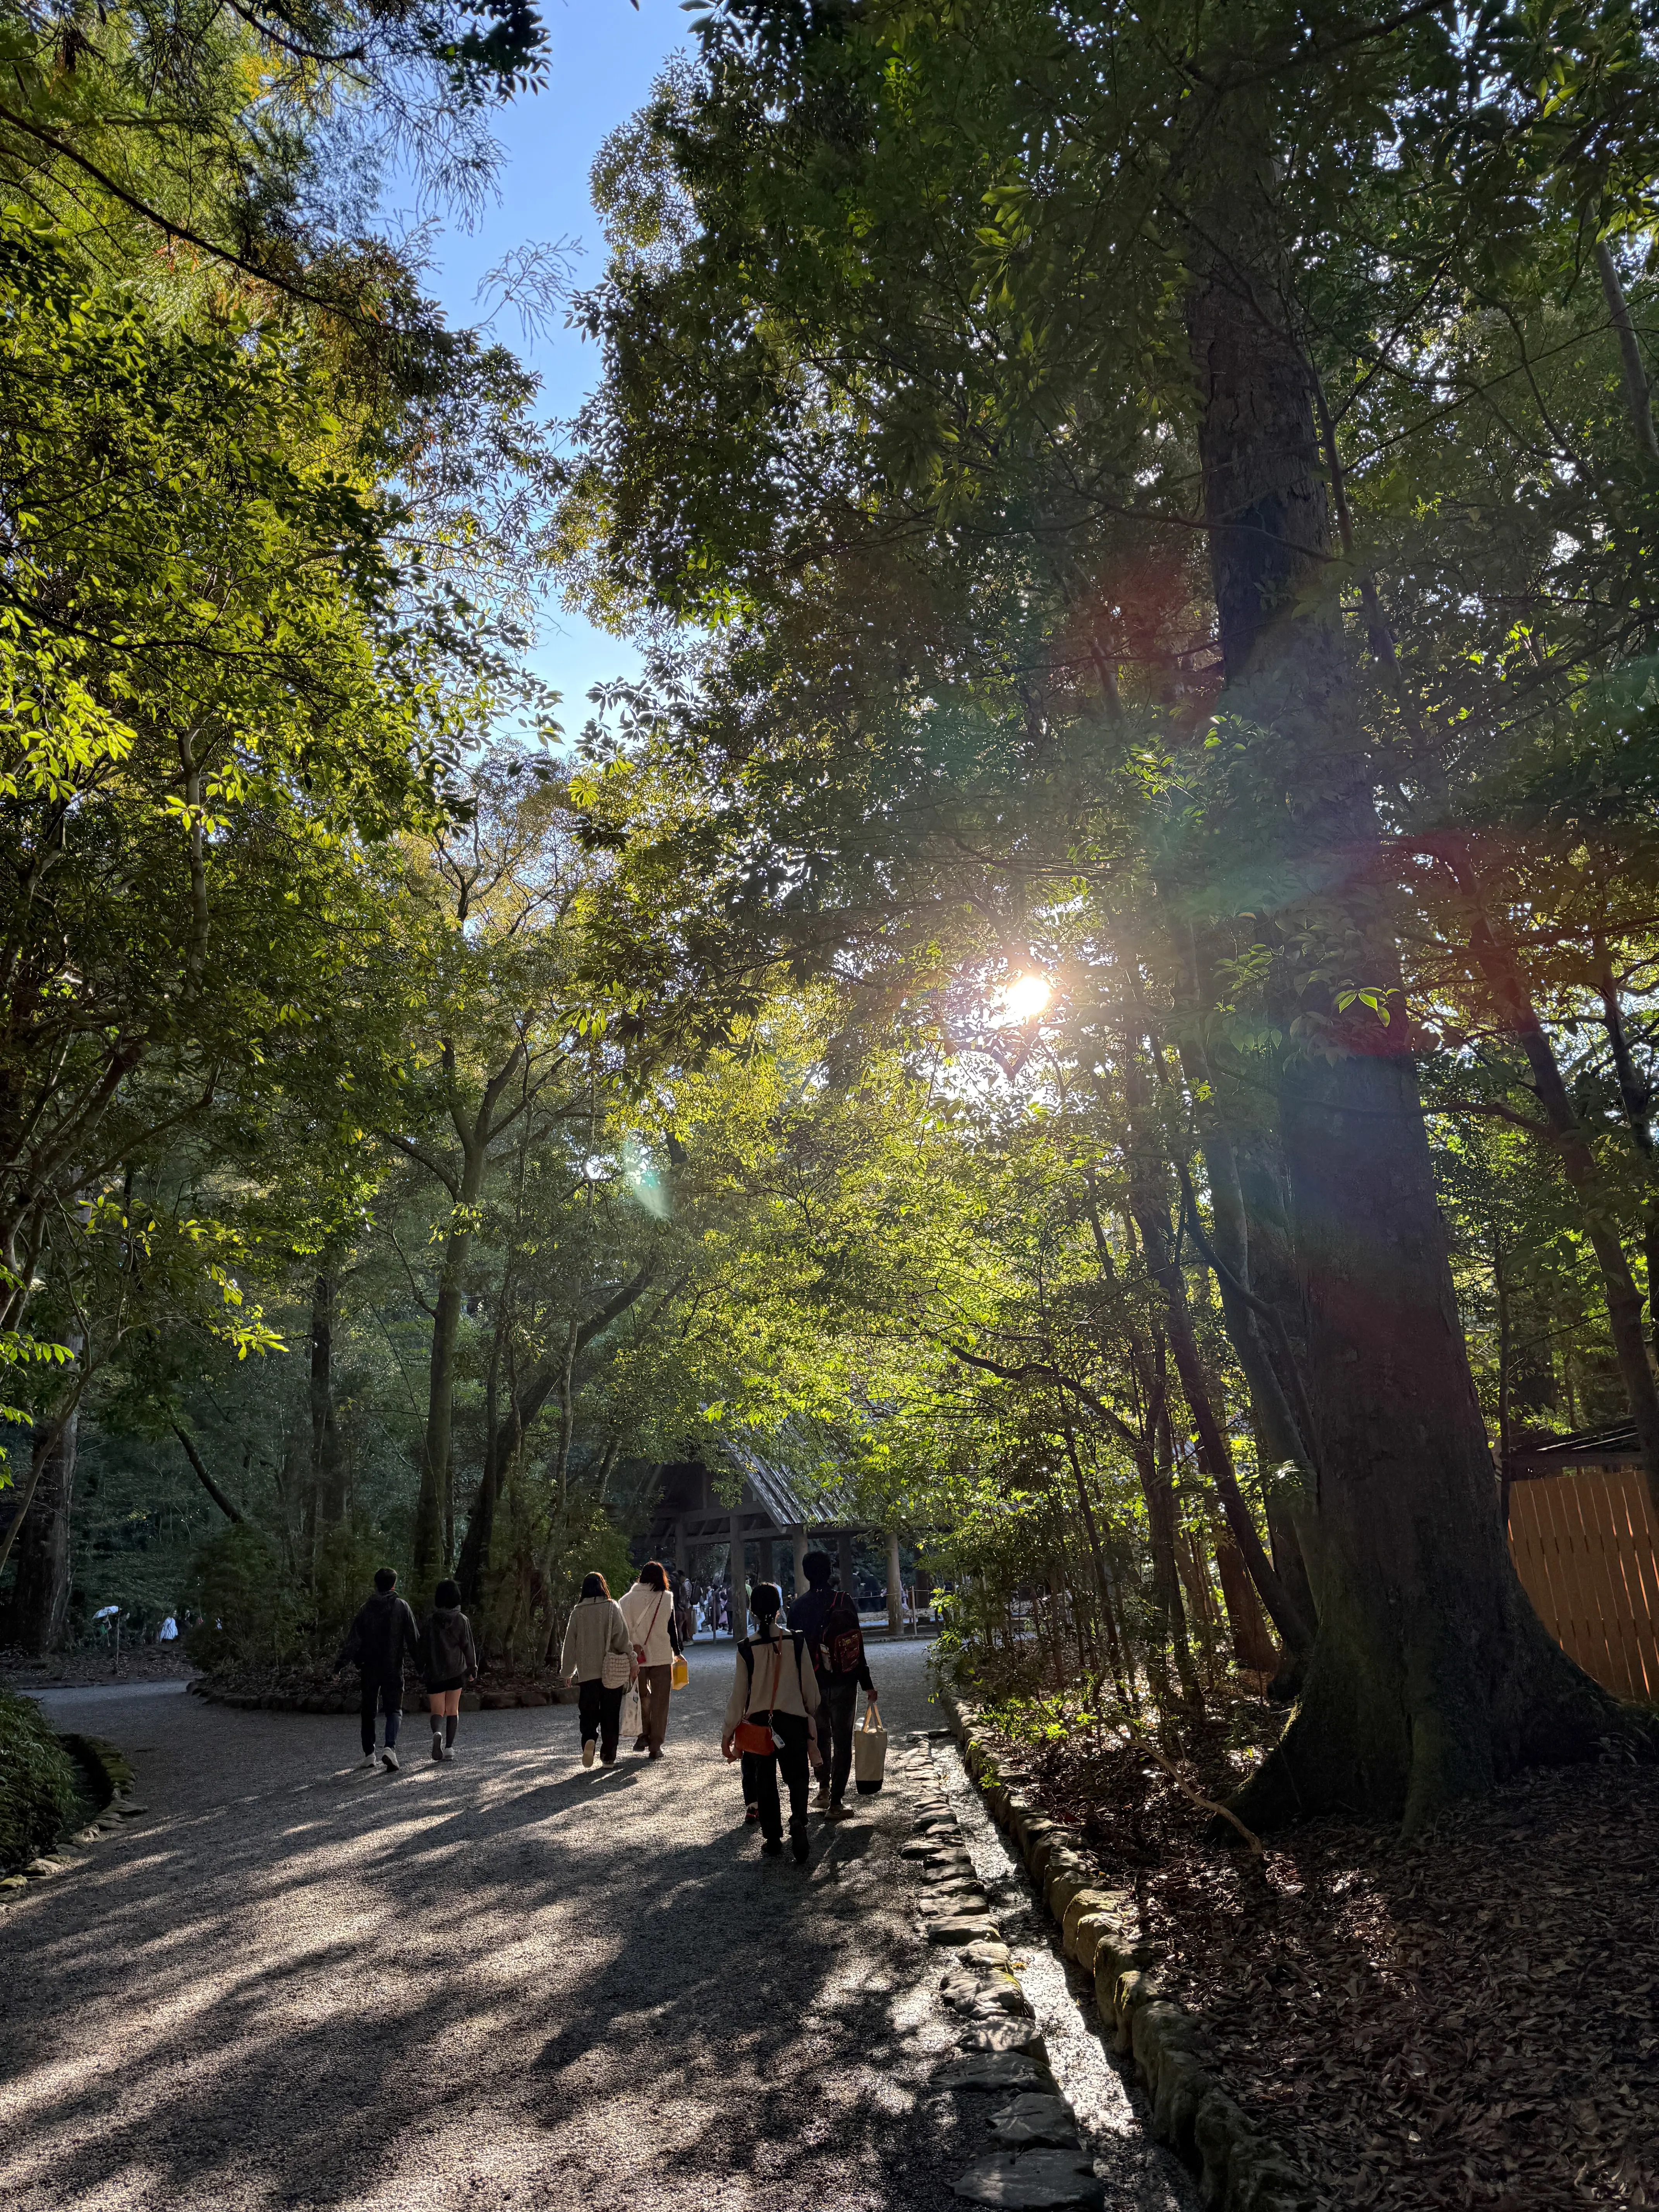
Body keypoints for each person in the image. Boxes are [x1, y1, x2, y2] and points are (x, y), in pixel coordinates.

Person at [721, 1582, 819, 1862]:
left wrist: (728, 1733)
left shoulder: (746, 1648)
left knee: (765, 1780)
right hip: (792, 1721)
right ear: (779, 1610)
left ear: (753, 1612)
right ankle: (799, 1820)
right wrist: (808, 1710)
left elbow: (739, 1696)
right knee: (798, 1776)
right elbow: (811, 1692)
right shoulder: (796, 1642)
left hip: (759, 1726)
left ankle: (773, 1837)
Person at [788, 1550, 878, 1821]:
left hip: (813, 1683)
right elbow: (856, 1645)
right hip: (844, 1680)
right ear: (830, 1573)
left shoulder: (798, 1608)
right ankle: (836, 1803)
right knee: (842, 1740)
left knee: (819, 1737)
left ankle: (823, 1789)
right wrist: (868, 1684)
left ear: (805, 1574)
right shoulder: (844, 1601)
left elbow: (794, 1654)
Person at [335, 1566, 419, 1772]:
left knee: (369, 1710)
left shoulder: (366, 1609)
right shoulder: (402, 1607)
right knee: (394, 1709)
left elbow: (353, 1640)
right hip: (393, 1666)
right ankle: (390, 1747)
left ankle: (369, 1754)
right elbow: (414, 1640)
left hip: (369, 1667)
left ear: (377, 1585)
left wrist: (340, 1665)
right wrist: (422, 1666)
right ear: (393, 1585)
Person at [560, 1571, 635, 1767]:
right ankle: (609, 1757)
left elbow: (570, 1645)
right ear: (603, 1587)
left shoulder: (578, 1612)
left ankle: (589, 1740)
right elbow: (622, 1639)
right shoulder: (612, 1608)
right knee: (611, 1714)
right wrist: (632, 1659)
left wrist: (567, 1672)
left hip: (587, 1674)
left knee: (588, 1713)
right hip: (611, 1672)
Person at [619, 1559, 681, 1759]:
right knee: (661, 1702)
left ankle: (643, 1734)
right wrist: (678, 1651)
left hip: (636, 1658)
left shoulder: (626, 1601)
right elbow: (672, 1628)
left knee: (641, 1698)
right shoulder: (666, 1597)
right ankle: (656, 1745)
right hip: (662, 1656)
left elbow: (622, 1632)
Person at [418, 1578, 477, 1763]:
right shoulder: (462, 1620)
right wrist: (472, 1667)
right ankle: (450, 1748)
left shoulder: (430, 1621)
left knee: (437, 1710)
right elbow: (467, 1646)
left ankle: (437, 1732)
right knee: (453, 1710)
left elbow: (422, 1647)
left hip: (435, 1671)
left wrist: (420, 1667)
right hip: (457, 1671)